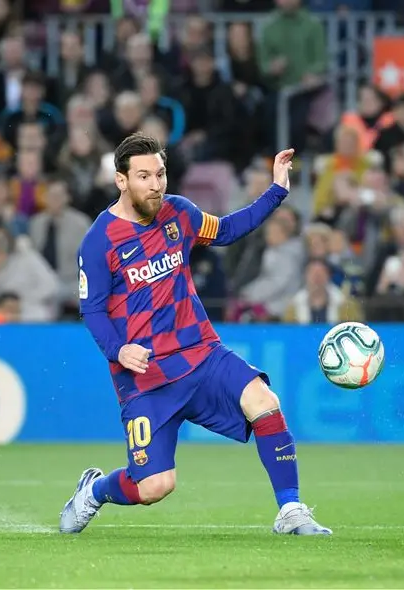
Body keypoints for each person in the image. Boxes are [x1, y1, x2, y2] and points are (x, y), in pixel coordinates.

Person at [60, 133, 330, 536]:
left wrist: (276, 191)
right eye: (144, 176)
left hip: (201, 354)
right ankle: (94, 491)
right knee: (155, 486)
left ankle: (291, 510)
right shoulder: (99, 240)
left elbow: (226, 229)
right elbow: (93, 310)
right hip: (146, 378)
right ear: (121, 181)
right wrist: (118, 350)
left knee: (264, 400)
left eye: (161, 174)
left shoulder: (179, 214)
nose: (156, 185)